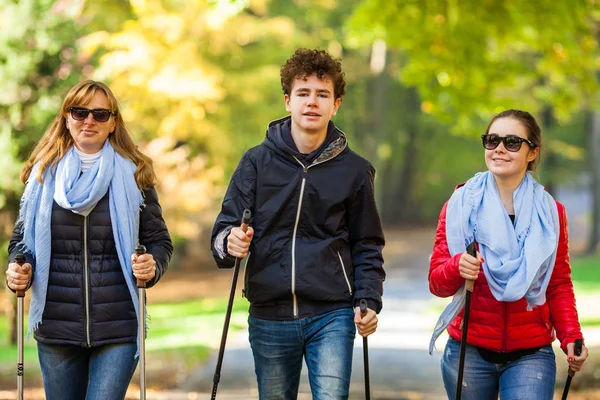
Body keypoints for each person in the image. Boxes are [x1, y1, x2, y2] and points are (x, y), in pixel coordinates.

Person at [211, 48, 385, 399]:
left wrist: (368, 300)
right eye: (303, 93)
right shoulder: (256, 162)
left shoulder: (354, 170)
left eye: (323, 94)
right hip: (269, 313)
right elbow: (224, 231)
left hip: (332, 312)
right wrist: (230, 241)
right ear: (288, 100)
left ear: (335, 105)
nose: (312, 102)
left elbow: (367, 243)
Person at [5, 80, 173, 400]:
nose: (89, 121)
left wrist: (153, 265)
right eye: (80, 112)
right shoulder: (42, 176)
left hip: (118, 328)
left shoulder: (135, 175)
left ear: (113, 123)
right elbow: (21, 244)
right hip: (56, 328)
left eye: (99, 114)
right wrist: (16, 268)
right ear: (67, 119)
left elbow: (159, 241)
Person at [428, 109, 589, 400]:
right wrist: (457, 267)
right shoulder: (460, 205)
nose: (499, 148)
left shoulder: (551, 213)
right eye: (492, 140)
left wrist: (571, 336)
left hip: (530, 353)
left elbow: (558, 283)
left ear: (532, 152)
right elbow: (437, 284)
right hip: (469, 349)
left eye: (512, 142)